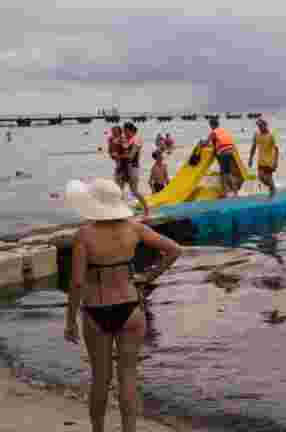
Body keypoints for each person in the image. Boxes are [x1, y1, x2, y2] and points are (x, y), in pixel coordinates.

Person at [63, 178, 181, 432]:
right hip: (130, 307)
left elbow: (76, 283)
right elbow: (174, 250)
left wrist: (70, 320)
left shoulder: (84, 235)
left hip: (96, 309)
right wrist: (148, 277)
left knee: (100, 379)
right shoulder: (134, 229)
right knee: (128, 377)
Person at [120, 124, 150, 217]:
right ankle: (121, 212)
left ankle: (146, 210)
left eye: (125, 131)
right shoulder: (126, 140)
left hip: (133, 168)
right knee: (119, 190)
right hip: (125, 167)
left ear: (130, 130)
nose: (124, 133)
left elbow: (131, 156)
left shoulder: (137, 140)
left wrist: (119, 155)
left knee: (134, 191)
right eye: (123, 131)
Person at [207, 118, 240, 198]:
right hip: (231, 151)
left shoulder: (213, 132)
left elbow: (206, 142)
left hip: (223, 153)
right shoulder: (223, 130)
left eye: (210, 125)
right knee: (225, 173)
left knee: (226, 174)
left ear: (212, 125)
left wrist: (201, 143)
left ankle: (231, 193)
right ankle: (228, 192)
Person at [247, 118, 278, 197]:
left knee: (268, 178)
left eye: (261, 126)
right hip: (260, 161)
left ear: (265, 125)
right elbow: (253, 147)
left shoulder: (271, 135)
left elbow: (276, 149)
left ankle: (272, 193)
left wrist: (275, 162)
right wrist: (250, 159)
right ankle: (273, 189)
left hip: (269, 161)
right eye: (259, 126)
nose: (260, 127)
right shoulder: (257, 135)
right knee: (260, 177)